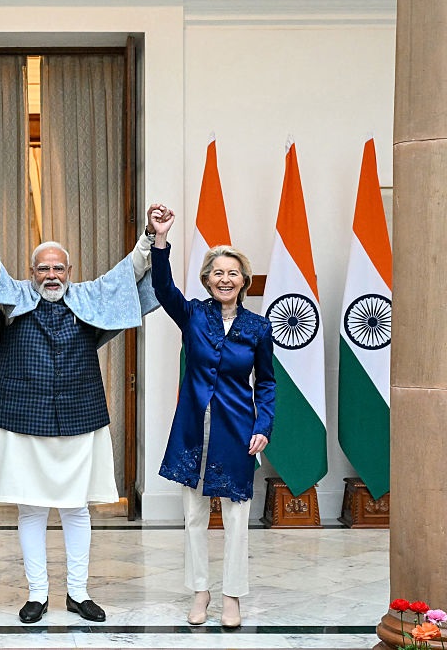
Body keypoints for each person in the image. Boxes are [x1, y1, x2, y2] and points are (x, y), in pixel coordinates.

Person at [0, 204, 164, 624]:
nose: (51, 275)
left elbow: (127, 274)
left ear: (70, 271)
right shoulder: (13, 297)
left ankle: (78, 593)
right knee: (31, 510)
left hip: (80, 418)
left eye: (58, 268)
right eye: (43, 268)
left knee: (78, 509)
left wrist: (151, 236)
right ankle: (37, 595)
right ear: (32, 272)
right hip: (22, 420)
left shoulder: (88, 297)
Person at [148, 206, 276, 629]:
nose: (225, 279)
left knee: (237, 519)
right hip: (192, 430)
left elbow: (267, 383)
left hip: (237, 431)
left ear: (244, 281)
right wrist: (160, 240)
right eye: (217, 272)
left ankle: (232, 596)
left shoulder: (258, 328)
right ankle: (200, 591)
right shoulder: (193, 315)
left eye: (233, 273)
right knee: (194, 516)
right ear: (207, 279)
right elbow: (163, 288)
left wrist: (263, 426)